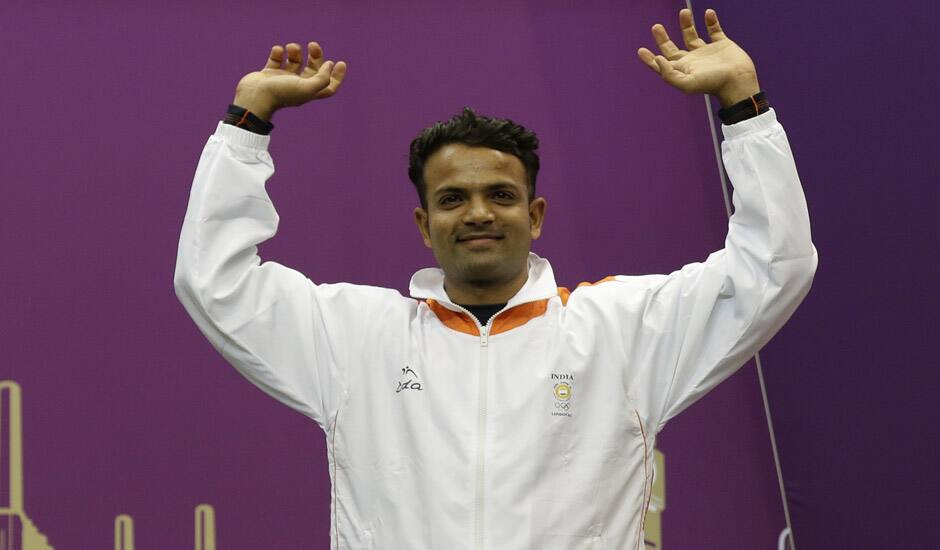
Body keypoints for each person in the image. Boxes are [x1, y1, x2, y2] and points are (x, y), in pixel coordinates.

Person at [174, 8, 817, 549]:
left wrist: (744, 105)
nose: (479, 213)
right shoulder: (355, 338)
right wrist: (249, 119)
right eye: (453, 199)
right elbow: (214, 280)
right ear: (425, 225)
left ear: (534, 216)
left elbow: (774, 266)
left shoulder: (621, 330)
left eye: (501, 196)